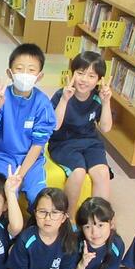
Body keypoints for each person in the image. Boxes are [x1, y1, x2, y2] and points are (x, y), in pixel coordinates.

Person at [0, 43, 56, 206]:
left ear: (39, 76)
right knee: (6, 194)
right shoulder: (1, 97)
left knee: (39, 199)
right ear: (10, 73)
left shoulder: (42, 103)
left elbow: (38, 145)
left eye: (31, 70)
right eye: (19, 69)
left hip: (32, 160)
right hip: (3, 156)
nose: (25, 74)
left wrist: (20, 174)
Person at [49, 51, 113, 215]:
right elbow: (54, 126)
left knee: (102, 172)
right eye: (80, 73)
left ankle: (99, 219)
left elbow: (105, 128)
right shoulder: (61, 94)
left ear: (99, 80)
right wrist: (64, 100)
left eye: (91, 76)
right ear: (72, 73)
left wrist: (106, 103)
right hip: (63, 143)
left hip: (91, 142)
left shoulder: (98, 97)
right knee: (78, 173)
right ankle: (68, 218)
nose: (84, 79)